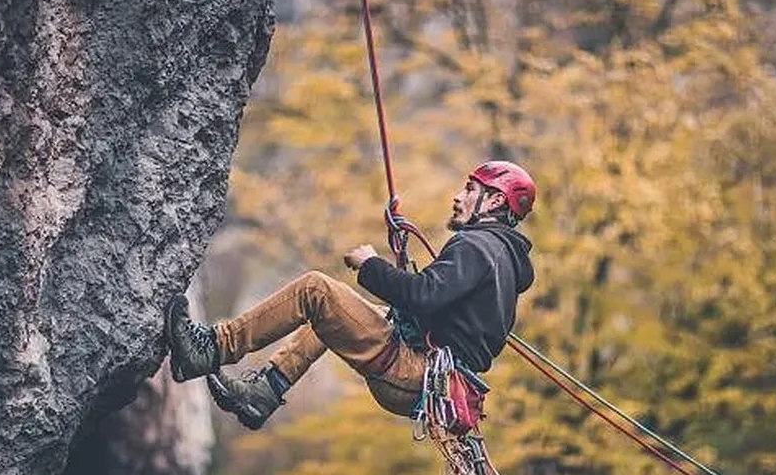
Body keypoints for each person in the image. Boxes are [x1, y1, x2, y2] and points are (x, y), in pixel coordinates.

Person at [164, 160, 536, 430]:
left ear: (495, 202)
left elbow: (423, 296)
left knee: (316, 289)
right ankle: (264, 391)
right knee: (341, 308)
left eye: (470, 190)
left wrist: (371, 264)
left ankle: (211, 349)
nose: (458, 196)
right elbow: (436, 310)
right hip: (429, 380)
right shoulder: (501, 257)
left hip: (415, 374)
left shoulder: (478, 247)